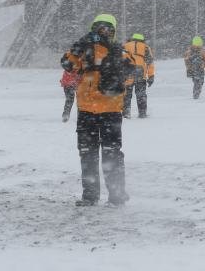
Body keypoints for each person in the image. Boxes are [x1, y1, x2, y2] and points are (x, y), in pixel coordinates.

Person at [60, 14, 134, 207]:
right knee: (89, 153)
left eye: (107, 29)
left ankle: (114, 195)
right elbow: (67, 65)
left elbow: (131, 71)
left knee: (108, 153)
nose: (103, 32)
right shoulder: (84, 50)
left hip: (108, 111)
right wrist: (79, 46)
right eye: (99, 28)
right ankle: (91, 196)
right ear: (93, 29)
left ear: (113, 31)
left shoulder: (119, 51)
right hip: (88, 111)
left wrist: (112, 52)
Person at [123, 33, 155, 118]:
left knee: (126, 95)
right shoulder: (145, 47)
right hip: (140, 74)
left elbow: (120, 61)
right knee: (141, 95)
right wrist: (151, 76)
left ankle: (126, 113)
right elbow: (150, 63)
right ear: (142, 40)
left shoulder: (125, 46)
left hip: (128, 74)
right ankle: (142, 113)